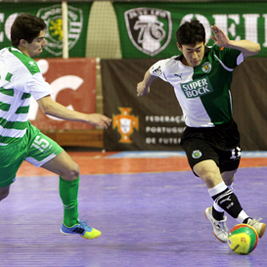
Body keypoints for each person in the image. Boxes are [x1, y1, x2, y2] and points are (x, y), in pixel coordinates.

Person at [137, 19, 266, 243]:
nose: (194, 56)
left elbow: (255, 48)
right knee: (210, 176)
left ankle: (215, 215)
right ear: (179, 47)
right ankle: (247, 221)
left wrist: (230, 43)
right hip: (196, 135)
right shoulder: (170, 67)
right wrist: (144, 84)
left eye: (198, 49)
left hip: (226, 132)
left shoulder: (219, 56)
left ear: (204, 43)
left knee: (225, 181)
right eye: (189, 51)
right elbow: (152, 70)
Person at [0, 13, 111, 239]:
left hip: (25, 133)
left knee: (70, 170)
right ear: (23, 42)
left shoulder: (4, 53)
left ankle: (71, 223)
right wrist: (87, 118)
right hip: (6, 144)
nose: (44, 43)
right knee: (2, 193)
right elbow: (48, 108)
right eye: (39, 39)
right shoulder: (29, 69)